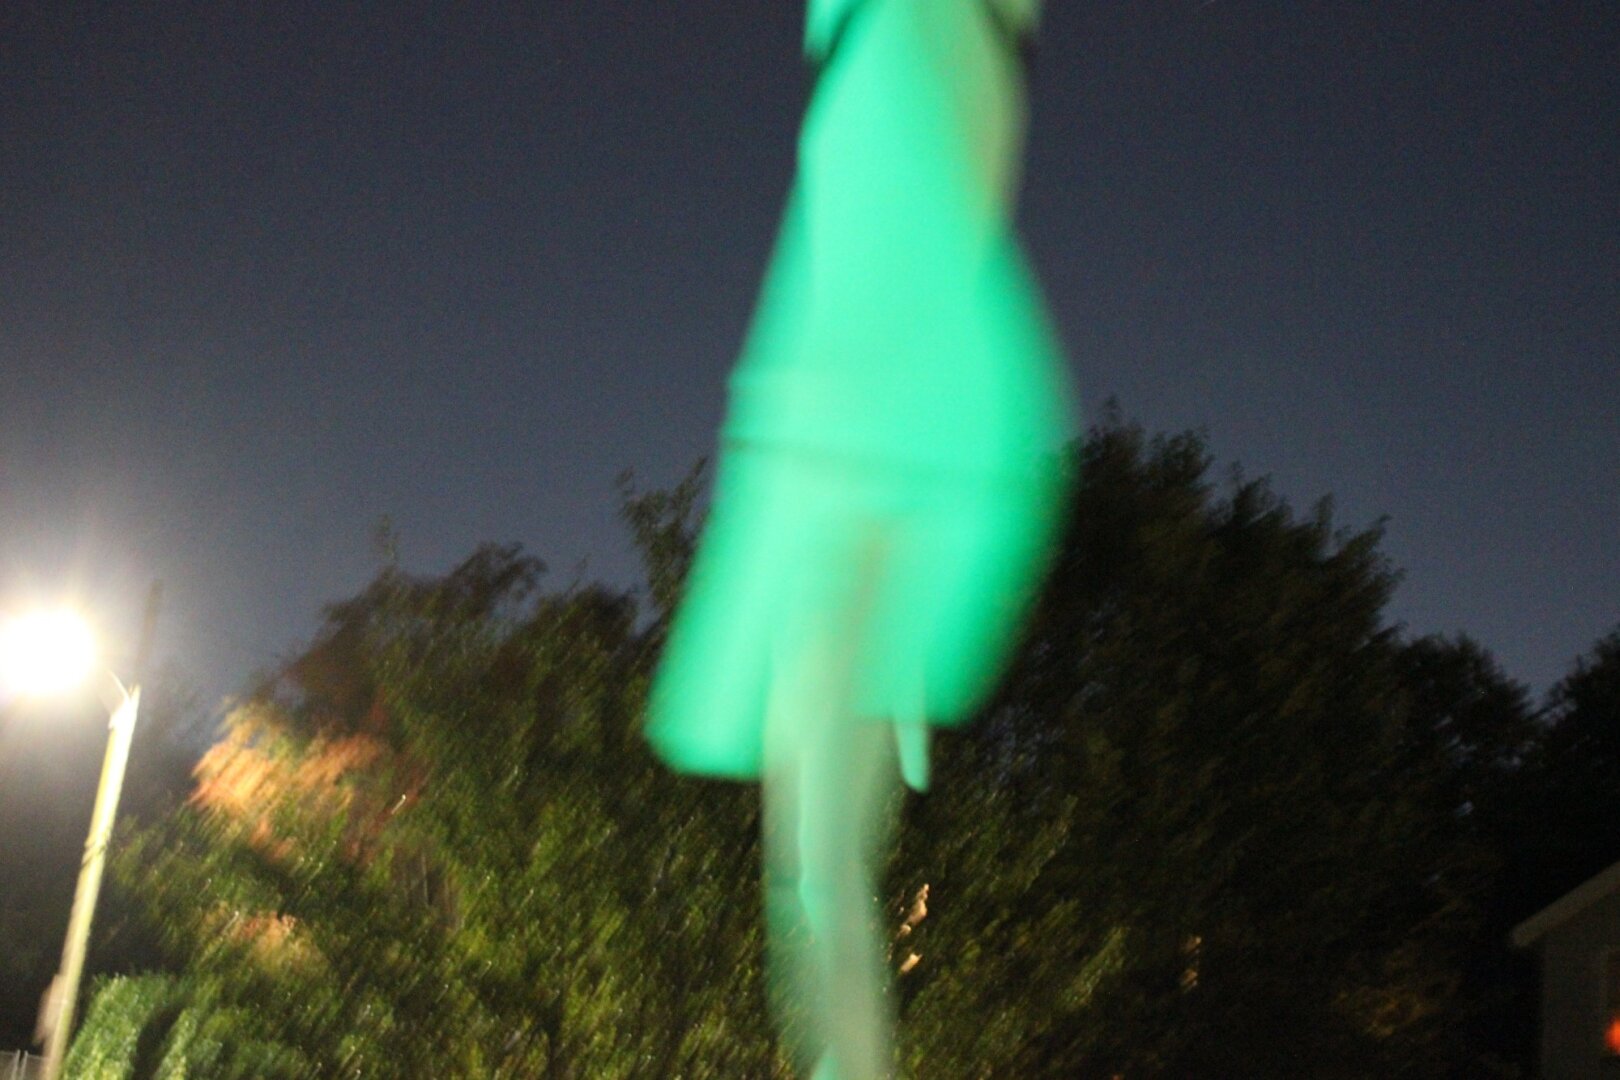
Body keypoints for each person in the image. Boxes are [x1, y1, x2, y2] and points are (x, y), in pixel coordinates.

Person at [647, 2, 1073, 1075]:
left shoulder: (917, 59)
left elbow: (891, 247)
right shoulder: (915, 70)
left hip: (877, 470)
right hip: (883, 465)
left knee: (819, 868)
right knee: (818, 867)